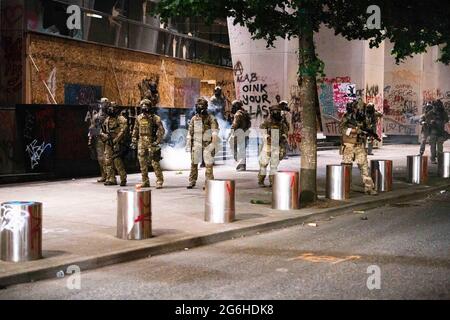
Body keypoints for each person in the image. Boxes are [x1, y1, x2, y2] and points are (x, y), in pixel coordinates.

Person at [339, 101, 378, 195]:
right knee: (346, 167)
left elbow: (368, 127)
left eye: (361, 108)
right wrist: (354, 130)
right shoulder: (347, 117)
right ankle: (345, 188)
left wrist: (368, 132)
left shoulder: (363, 117)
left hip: (359, 144)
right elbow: (341, 129)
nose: (359, 110)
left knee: (364, 167)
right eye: (358, 108)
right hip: (349, 145)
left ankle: (369, 188)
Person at [186, 97, 220, 189]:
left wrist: (213, 141)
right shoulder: (194, 118)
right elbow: (190, 131)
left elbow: (215, 130)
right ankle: (192, 181)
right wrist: (188, 141)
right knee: (194, 163)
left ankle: (209, 182)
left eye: (202, 106)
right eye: (198, 106)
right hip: (196, 143)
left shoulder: (211, 118)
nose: (199, 108)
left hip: (207, 144)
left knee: (208, 164)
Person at [131, 99, 165, 189]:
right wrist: (134, 139)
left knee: (155, 163)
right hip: (141, 142)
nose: (144, 107)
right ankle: (145, 181)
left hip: (152, 142)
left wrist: (157, 141)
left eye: (146, 105)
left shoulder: (155, 118)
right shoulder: (139, 118)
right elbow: (135, 129)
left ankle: (159, 181)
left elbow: (161, 130)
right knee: (142, 163)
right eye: (142, 105)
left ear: (150, 107)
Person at [258, 104, 289, 187]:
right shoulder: (267, 121)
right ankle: (261, 181)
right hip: (267, 146)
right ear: (271, 112)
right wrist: (267, 137)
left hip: (277, 145)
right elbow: (262, 130)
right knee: (263, 164)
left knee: (274, 166)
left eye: (278, 111)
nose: (277, 113)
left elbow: (285, 131)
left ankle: (272, 181)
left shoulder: (281, 122)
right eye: (275, 111)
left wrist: (283, 137)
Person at [100, 102, 128, 186]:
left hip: (117, 143)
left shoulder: (121, 119)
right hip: (108, 143)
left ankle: (123, 179)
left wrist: (116, 140)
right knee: (107, 161)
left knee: (117, 162)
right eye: (110, 108)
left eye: (112, 108)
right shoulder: (107, 119)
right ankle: (111, 178)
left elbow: (123, 131)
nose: (110, 110)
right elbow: (102, 130)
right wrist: (104, 136)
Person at [88, 97, 109, 182]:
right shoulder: (96, 116)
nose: (105, 105)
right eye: (103, 103)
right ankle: (104, 175)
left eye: (106, 104)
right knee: (100, 158)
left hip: (108, 139)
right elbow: (92, 127)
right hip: (99, 139)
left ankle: (109, 176)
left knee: (108, 158)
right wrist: (90, 139)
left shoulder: (110, 115)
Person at [229, 99, 251, 171]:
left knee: (233, 145)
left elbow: (235, 125)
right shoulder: (244, 113)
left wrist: (230, 132)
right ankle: (242, 165)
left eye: (233, 106)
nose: (232, 108)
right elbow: (249, 124)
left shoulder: (238, 114)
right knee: (242, 149)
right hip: (245, 133)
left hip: (239, 134)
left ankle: (240, 164)